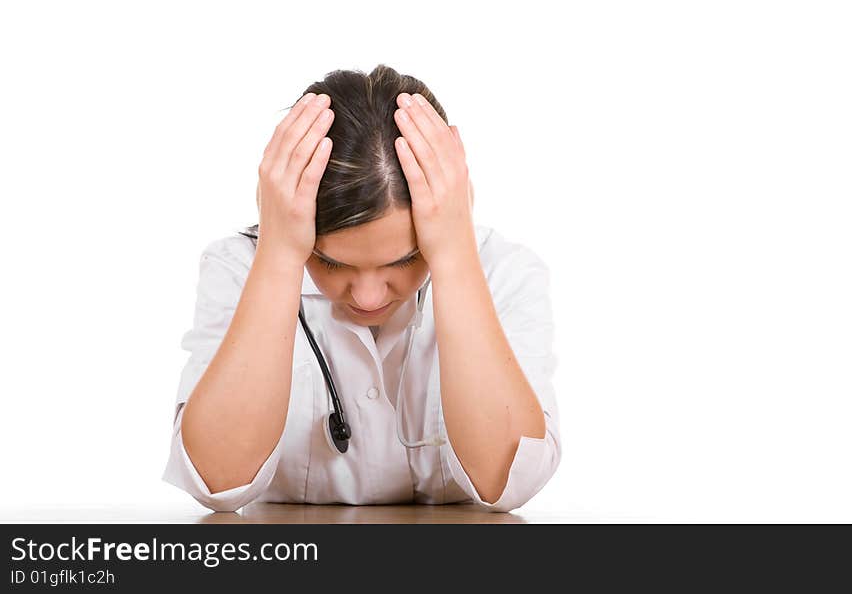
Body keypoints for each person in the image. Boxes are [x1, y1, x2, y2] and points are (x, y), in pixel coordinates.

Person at [161, 64, 561, 513]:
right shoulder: (238, 268)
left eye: (406, 260)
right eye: (331, 262)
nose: (368, 297)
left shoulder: (505, 272)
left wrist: (453, 255)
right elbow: (217, 480)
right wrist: (279, 255)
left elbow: (506, 483)